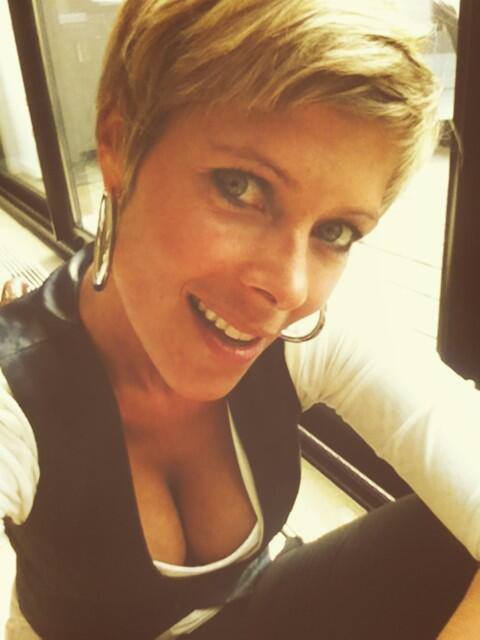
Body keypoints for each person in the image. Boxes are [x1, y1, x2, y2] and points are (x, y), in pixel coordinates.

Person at [0, 0, 479, 638]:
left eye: (335, 231)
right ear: (117, 145)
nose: (289, 287)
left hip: (259, 609)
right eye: (240, 187)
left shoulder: (312, 331)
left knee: (447, 537)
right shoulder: (15, 392)